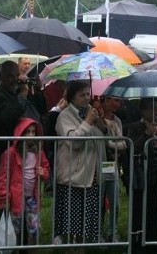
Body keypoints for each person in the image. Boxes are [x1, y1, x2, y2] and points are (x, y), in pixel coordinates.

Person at [53, 80, 108, 248]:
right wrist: (88, 123)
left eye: (88, 94)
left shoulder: (89, 113)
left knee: (84, 229)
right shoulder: (65, 116)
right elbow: (74, 142)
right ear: (71, 97)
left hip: (91, 178)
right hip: (73, 180)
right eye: (81, 95)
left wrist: (99, 123)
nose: (86, 98)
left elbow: (102, 139)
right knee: (72, 229)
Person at [126, 97, 157, 253]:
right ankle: (137, 246)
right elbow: (132, 148)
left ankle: (155, 246)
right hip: (142, 179)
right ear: (143, 109)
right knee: (140, 214)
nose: (156, 110)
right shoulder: (134, 127)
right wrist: (147, 133)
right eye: (152, 107)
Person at [0, 117, 50, 247]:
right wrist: (4, 196)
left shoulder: (39, 152)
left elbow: (46, 168)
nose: (31, 135)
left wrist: (44, 173)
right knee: (15, 230)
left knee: (34, 230)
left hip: (32, 198)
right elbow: (2, 177)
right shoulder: (10, 153)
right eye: (27, 132)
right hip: (15, 199)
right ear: (20, 133)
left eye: (33, 132)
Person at [0, 60, 26, 185]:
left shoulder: (14, 91)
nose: (14, 79)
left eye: (16, 75)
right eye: (10, 76)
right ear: (0, 77)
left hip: (20, 150)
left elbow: (40, 109)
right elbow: (7, 118)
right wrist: (22, 97)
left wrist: (35, 91)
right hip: (5, 151)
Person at [94, 95, 126, 243]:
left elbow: (122, 143)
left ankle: (113, 232)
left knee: (115, 202)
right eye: (113, 100)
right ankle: (98, 232)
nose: (116, 104)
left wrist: (113, 145)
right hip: (98, 164)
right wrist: (113, 144)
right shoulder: (96, 121)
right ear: (104, 100)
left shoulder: (117, 121)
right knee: (98, 202)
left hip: (113, 165)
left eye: (118, 101)